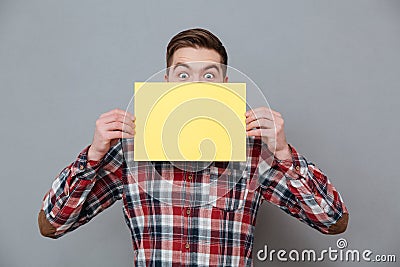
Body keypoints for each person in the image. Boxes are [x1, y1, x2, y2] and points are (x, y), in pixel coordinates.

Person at [38, 28, 349, 266]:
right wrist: (92, 158)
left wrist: (283, 154)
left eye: (209, 75)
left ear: (225, 84)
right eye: (183, 74)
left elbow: (333, 221)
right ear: (167, 82)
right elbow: (52, 225)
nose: (197, 85)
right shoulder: (129, 153)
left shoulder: (255, 154)